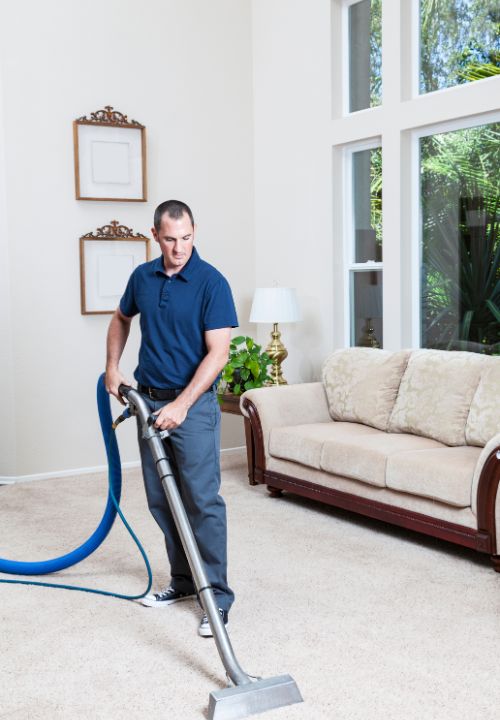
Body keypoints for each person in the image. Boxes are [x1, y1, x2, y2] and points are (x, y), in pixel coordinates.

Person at [105, 199, 238, 637]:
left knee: (202, 500)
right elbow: (121, 318)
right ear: (154, 235)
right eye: (169, 239)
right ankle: (183, 582)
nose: (179, 248)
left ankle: (216, 596)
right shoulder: (142, 277)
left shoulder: (211, 282)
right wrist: (112, 366)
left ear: (194, 232)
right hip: (147, 401)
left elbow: (218, 353)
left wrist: (182, 404)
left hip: (193, 408)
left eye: (186, 238)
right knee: (162, 500)